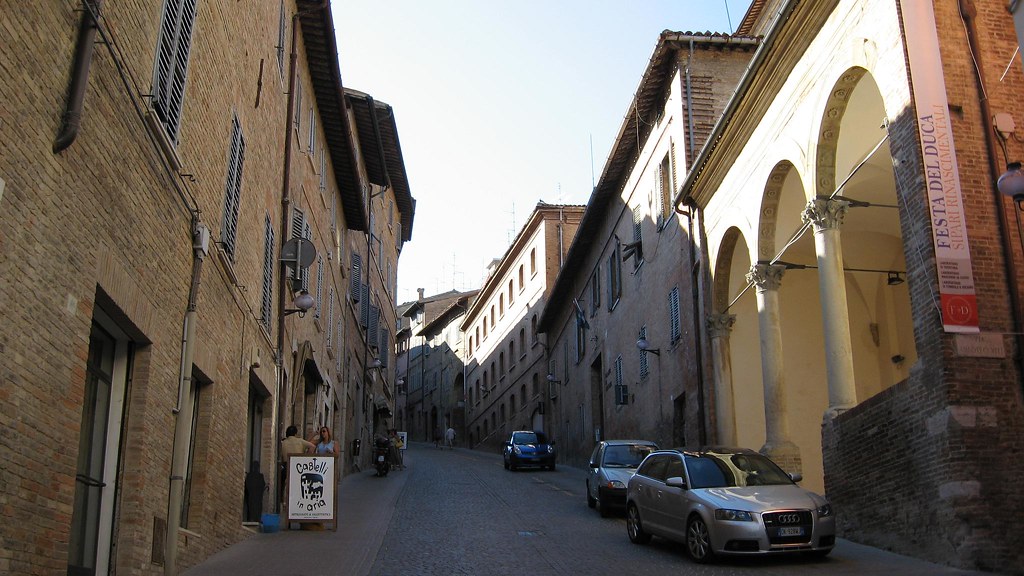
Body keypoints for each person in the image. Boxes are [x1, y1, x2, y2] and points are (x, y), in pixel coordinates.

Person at [279, 426, 315, 502]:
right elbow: (313, 446)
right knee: (298, 484)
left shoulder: (283, 442)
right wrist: (306, 456)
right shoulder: (300, 441)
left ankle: (282, 501)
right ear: (295, 433)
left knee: (283, 483)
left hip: (286, 465)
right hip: (298, 465)